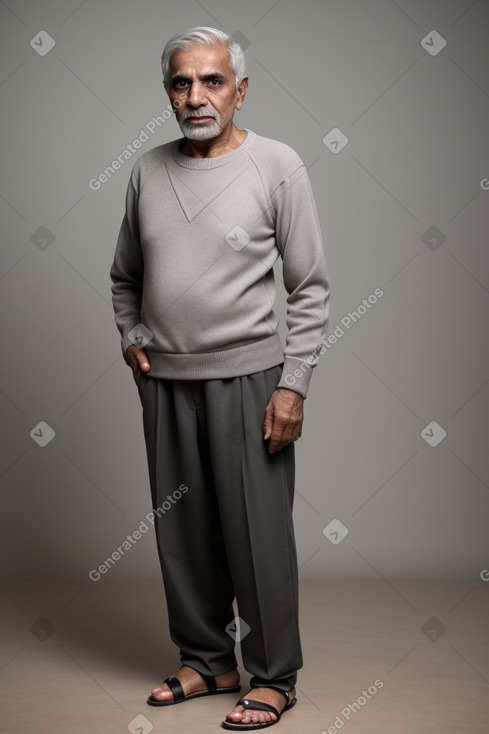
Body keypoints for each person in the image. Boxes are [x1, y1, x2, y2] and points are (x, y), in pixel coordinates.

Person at [110, 26, 330, 730]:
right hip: (166, 383)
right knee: (183, 532)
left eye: (211, 81)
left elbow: (311, 289)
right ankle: (207, 660)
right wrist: (131, 333)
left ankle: (274, 676)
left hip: (250, 381)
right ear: (167, 92)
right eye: (182, 82)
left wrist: (291, 384)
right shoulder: (146, 170)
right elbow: (125, 278)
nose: (196, 96)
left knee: (255, 535)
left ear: (239, 89)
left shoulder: (277, 166)